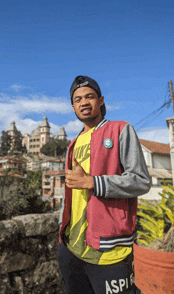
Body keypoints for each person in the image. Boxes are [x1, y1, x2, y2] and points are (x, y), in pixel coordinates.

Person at [58, 75, 151, 294]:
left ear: (100, 100)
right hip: (71, 247)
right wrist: (61, 233)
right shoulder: (72, 144)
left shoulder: (120, 129)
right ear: (73, 107)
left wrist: (92, 182)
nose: (84, 102)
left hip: (109, 248)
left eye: (89, 96)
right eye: (78, 99)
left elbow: (141, 180)